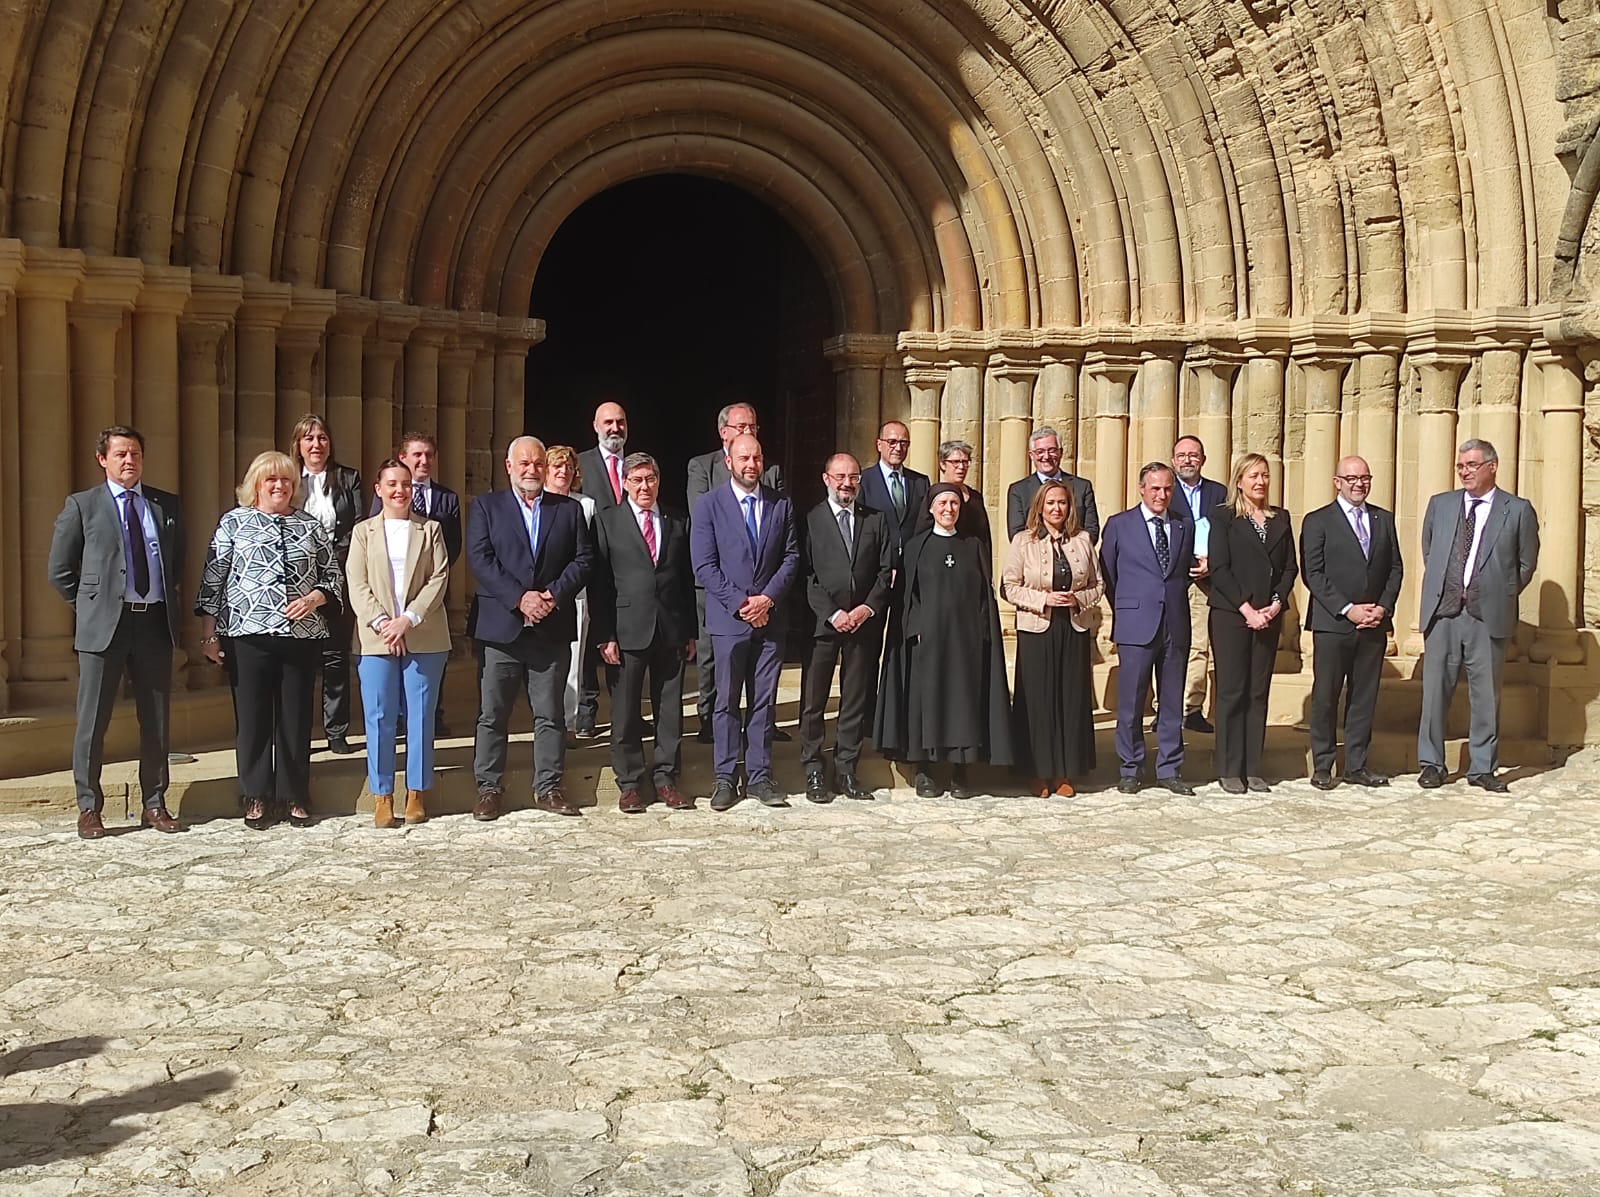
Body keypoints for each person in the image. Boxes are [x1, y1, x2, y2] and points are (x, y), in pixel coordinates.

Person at [48, 425, 186, 840]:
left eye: (136, 454)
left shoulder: (164, 505)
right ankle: (89, 808)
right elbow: (59, 570)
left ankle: (155, 803)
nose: (130, 461)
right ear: (102, 459)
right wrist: (92, 607)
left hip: (152, 622)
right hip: (103, 627)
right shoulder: (82, 506)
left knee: (156, 720)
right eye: (121, 454)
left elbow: (174, 566)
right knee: (93, 720)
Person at [196, 451, 344, 829]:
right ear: (256, 485)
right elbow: (214, 580)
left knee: (294, 718)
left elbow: (333, 577)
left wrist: (315, 598)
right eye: (271, 480)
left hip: (301, 635)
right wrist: (209, 634)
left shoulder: (309, 526)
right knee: (253, 717)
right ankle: (256, 795)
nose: (279, 486)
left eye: (286, 481)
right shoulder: (233, 523)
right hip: (248, 634)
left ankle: (294, 794)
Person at [467, 436, 593, 819]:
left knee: (550, 714)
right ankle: (488, 788)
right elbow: (480, 558)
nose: (531, 470)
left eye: (538, 463)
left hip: (549, 628)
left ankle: (550, 787)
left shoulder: (568, 510)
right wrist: (520, 598)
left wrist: (552, 596)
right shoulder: (486, 507)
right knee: (493, 714)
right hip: (501, 628)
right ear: (508, 466)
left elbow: (584, 560)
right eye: (523, 463)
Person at [874, 484, 1013, 797]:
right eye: (942, 503)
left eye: (953, 503)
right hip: (927, 643)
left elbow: (983, 597)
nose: (948, 509)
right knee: (925, 704)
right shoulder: (915, 547)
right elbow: (907, 599)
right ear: (931, 509)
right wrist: (916, 629)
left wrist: (981, 632)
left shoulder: (973, 545)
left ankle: (960, 770)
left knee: (963, 703)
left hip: (966, 643)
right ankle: (924, 769)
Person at [1416, 438, 1539, 792]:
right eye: (1460, 466)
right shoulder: (1441, 505)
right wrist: (1448, 586)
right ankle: (1431, 764)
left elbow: (1526, 562)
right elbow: (1430, 550)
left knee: (1485, 695)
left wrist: (1501, 590)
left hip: (1487, 615)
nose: (1464, 472)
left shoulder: (1516, 510)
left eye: (1471, 465)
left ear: (1492, 466)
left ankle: (1482, 767)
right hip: (1443, 612)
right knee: (1435, 692)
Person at [690, 433, 799, 811]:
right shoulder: (709, 505)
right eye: (744, 458)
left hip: (770, 619)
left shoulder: (780, 504)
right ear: (728, 461)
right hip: (728, 620)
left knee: (764, 702)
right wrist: (741, 603)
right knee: (726, 702)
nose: (751, 464)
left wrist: (767, 599)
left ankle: (759, 776)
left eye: (756, 457)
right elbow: (704, 565)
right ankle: (724, 777)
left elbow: (791, 556)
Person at [590, 453, 697, 813]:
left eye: (649, 479)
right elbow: (600, 584)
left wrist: (690, 632)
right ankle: (630, 782)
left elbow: (685, 579)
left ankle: (666, 777)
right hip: (626, 630)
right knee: (625, 710)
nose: (644, 486)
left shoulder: (677, 520)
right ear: (624, 483)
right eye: (636, 480)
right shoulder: (608, 522)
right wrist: (605, 634)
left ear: (658, 480)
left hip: (671, 628)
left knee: (670, 709)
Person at [348, 459, 452, 827]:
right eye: (391, 484)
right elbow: (356, 583)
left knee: (420, 715)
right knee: (378, 716)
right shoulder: (363, 532)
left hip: (423, 634)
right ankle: (382, 795)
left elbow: (438, 578)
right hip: (376, 637)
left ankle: (416, 793)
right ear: (378, 489)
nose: (399, 491)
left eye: (406, 484)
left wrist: (407, 620)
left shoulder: (431, 530)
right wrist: (383, 624)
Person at [1300, 456, 1403, 790]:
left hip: (1372, 624)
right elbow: (1313, 573)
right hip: (1334, 624)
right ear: (1337, 481)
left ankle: (1357, 764)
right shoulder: (1318, 521)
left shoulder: (1383, 519)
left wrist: (1382, 608)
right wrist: (1347, 608)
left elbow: (1395, 568)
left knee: (1364, 696)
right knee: (1327, 695)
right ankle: (1323, 764)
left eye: (1365, 478)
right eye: (1352, 478)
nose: (1359, 484)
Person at [686, 402, 786, 744]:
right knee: (713, 659)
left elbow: (782, 537)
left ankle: (760, 744)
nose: (748, 433)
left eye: (753, 427)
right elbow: (703, 527)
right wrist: (739, 600)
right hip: (718, 588)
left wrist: (764, 599)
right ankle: (708, 719)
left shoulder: (769, 470)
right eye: (741, 426)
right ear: (723, 432)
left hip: (764, 595)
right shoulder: (702, 467)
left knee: (761, 686)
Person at [1098, 463, 1197, 795]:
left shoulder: (1183, 526)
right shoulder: (1120, 525)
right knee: (1132, 702)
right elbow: (1108, 574)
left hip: (1175, 624)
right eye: (1155, 488)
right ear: (1141, 488)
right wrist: (1128, 607)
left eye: (1167, 488)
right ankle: (1130, 767)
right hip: (1136, 624)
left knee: (1171, 702)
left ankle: (1169, 767)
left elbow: (1181, 573)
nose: (1161, 495)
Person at [798, 453, 892, 803]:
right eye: (839, 476)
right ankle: (812, 767)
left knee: (854, 699)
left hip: (863, 625)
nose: (846, 483)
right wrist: (834, 613)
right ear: (826, 479)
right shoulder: (810, 519)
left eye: (853, 477)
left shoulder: (876, 521)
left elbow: (885, 570)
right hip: (824, 624)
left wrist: (867, 608)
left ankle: (846, 768)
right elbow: (806, 574)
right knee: (814, 700)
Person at [1001, 481, 1103, 797]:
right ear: (1040, 508)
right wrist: (1043, 600)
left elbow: (1098, 584)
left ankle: (1065, 771)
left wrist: (1078, 599)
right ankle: (1037, 771)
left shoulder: (1083, 541)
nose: (1056, 508)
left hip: (1072, 627)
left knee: (1070, 698)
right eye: (1050, 503)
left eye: (1062, 503)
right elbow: (1008, 586)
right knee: (1038, 699)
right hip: (1036, 627)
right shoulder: (1024, 541)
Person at [1206, 453, 1298, 794]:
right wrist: (1247, 610)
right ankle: (1230, 768)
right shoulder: (1223, 517)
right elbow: (1220, 569)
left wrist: (1275, 605)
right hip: (1233, 614)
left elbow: (1290, 568)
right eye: (1253, 476)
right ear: (1239, 480)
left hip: (1268, 614)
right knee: (1232, 691)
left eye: (1265, 475)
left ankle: (1253, 766)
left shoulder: (1280, 518)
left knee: (1258, 692)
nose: (1260, 481)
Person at [368, 432, 461, 736]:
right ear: (403, 459)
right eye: (417, 455)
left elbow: (454, 546)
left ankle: (432, 714)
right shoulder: (387, 494)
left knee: (429, 661)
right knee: (392, 659)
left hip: (429, 596)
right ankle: (396, 717)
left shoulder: (447, 497)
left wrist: (425, 592)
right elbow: (373, 547)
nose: (424, 461)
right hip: (388, 602)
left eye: (429, 455)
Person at [289, 414, 363, 754]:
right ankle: (299, 732)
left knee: (335, 655)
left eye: (321, 438)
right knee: (300, 657)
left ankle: (336, 731)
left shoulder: (348, 478)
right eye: (309, 439)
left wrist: (332, 558)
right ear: (298, 445)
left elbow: (359, 525)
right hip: (295, 577)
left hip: (338, 573)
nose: (316, 444)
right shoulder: (288, 479)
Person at [1167, 435, 1227, 734]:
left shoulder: (1219, 492)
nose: (1187, 460)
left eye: (1193, 455)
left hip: (1206, 580)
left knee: (1199, 646)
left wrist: (1211, 563)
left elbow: (1229, 534)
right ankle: (1165, 709)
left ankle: (1191, 708)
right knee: (1168, 645)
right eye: (1181, 455)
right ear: (1173, 459)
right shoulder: (1163, 489)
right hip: (1171, 580)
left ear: (1203, 459)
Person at [546, 445, 600, 735]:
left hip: (575, 595)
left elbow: (588, 554)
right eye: (557, 466)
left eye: (568, 467)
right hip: (537, 597)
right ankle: (544, 722)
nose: (563, 472)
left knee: (573, 663)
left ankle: (567, 724)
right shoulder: (535, 503)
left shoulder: (585, 505)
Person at [1005, 426, 1100, 543]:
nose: (1046, 456)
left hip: (1074, 556)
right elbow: (1016, 534)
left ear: (1060, 452)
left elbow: (1092, 531)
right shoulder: (1018, 490)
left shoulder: (1082, 487)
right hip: (1035, 557)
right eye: (1040, 452)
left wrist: (1068, 547)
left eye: (1052, 450)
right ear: (1031, 455)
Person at [858, 421, 930, 570]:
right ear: (879, 445)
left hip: (912, 569)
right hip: (877, 569)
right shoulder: (863, 481)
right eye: (892, 442)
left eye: (904, 443)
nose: (898, 448)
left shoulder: (920, 482)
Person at [914, 439, 993, 568]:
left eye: (965, 462)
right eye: (956, 462)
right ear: (943, 464)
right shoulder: (933, 496)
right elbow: (922, 533)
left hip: (971, 563)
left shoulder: (975, 498)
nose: (961, 467)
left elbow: (984, 537)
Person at [577, 400, 629, 512]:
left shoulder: (638, 464)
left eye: (620, 422)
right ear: (596, 426)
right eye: (608, 422)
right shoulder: (579, 463)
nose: (615, 428)